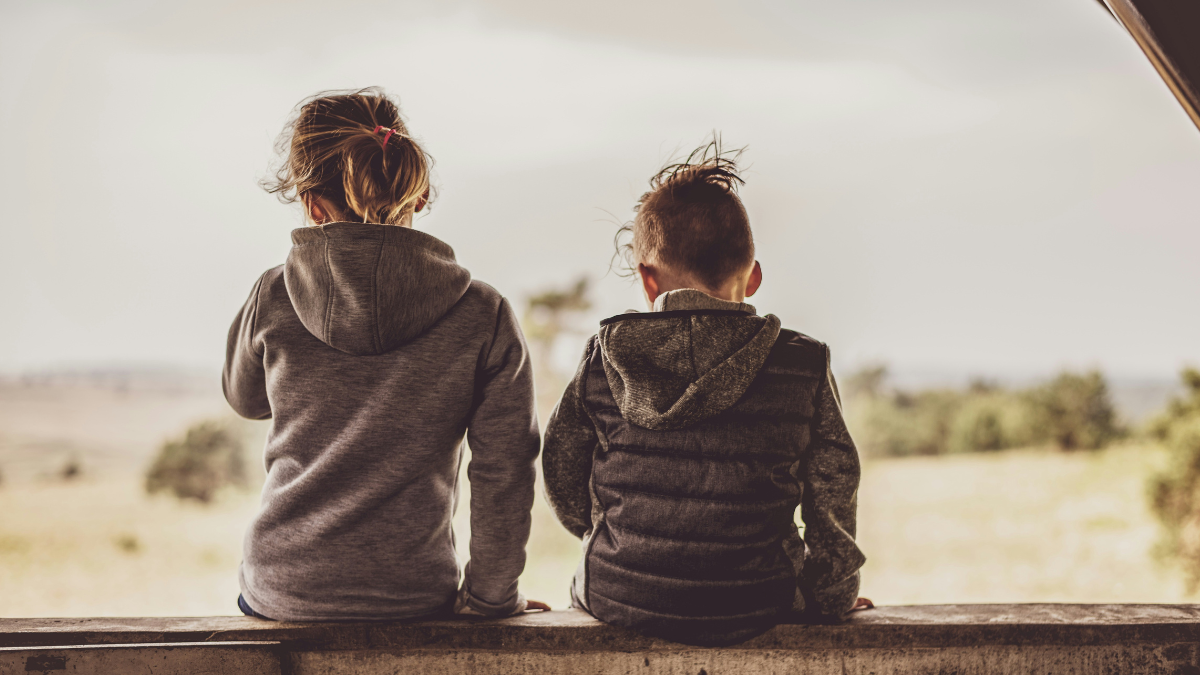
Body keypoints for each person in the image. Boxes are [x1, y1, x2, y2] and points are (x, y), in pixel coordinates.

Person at [223, 88, 546, 621]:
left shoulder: (274, 294)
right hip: (413, 597)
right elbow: (504, 468)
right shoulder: (482, 313)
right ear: (416, 194)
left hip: (283, 591)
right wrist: (492, 598)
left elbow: (246, 399)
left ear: (311, 203)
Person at [541, 139, 870, 646]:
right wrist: (830, 592)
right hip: (759, 599)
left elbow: (561, 473)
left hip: (618, 594)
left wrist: (621, 544)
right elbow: (834, 487)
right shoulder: (802, 364)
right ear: (753, 275)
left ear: (648, 281)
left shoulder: (603, 357)